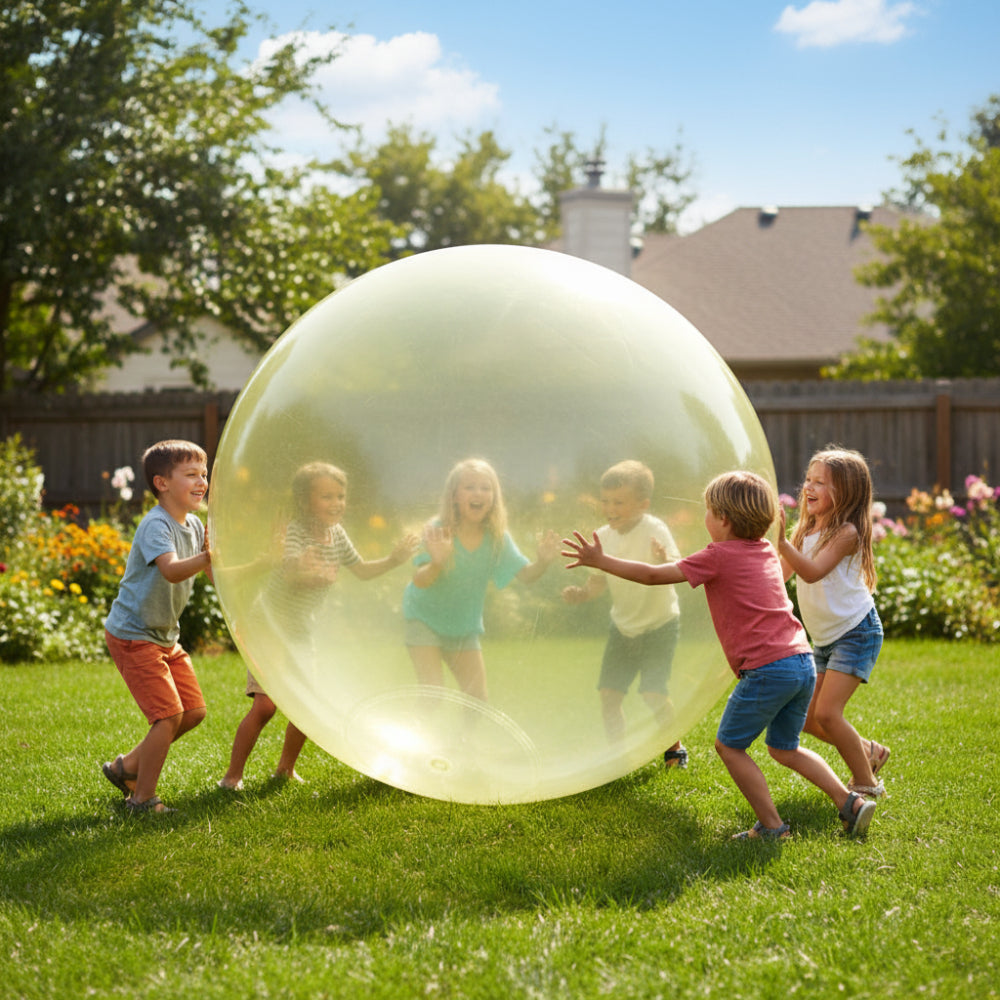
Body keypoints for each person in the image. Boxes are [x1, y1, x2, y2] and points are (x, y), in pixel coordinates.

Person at [563, 469, 877, 840]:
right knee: (785, 748)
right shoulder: (763, 549)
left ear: (723, 520)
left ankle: (773, 828)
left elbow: (653, 576)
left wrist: (602, 562)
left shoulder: (718, 555)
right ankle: (850, 803)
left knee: (728, 746)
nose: (705, 519)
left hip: (767, 669)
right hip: (801, 661)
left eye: (708, 512)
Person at [218, 461, 417, 789]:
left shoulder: (336, 535)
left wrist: (394, 559)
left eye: (340, 496)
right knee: (266, 705)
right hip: (268, 624)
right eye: (326, 496)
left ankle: (284, 769)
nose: (336, 503)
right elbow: (291, 570)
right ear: (304, 501)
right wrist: (307, 572)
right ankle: (232, 776)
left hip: (299, 629)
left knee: (305, 703)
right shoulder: (295, 531)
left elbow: (362, 570)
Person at [101, 440, 213, 814]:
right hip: (134, 635)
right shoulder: (156, 525)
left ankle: (127, 767)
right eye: (192, 474)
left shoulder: (195, 524)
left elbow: (210, 572)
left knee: (193, 711)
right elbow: (170, 569)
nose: (202, 481)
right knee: (167, 716)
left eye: (204, 474)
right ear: (162, 483)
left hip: (165, 635)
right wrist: (208, 557)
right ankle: (142, 799)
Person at [777, 447, 889, 799]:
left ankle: (867, 784)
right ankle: (869, 750)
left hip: (856, 632)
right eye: (808, 479)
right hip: (824, 639)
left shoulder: (847, 533)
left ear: (846, 492)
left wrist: (780, 542)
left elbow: (810, 573)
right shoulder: (804, 531)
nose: (808, 487)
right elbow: (781, 576)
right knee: (808, 718)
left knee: (827, 713)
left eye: (820, 482)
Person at [561, 460, 687, 767]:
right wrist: (582, 594)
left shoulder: (655, 529)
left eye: (619, 502)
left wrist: (661, 558)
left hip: (660, 624)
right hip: (623, 626)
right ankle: (618, 756)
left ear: (642, 504)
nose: (610, 508)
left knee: (653, 693)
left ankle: (675, 747)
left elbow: (676, 566)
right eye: (606, 501)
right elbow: (597, 582)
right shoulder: (602, 536)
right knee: (609, 695)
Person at [404, 457, 559, 702]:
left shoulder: (497, 538)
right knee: (432, 695)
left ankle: (463, 741)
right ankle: (412, 739)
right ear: (454, 496)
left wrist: (543, 562)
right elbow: (420, 581)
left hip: (464, 626)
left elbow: (527, 575)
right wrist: (437, 562)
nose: (478, 493)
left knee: (478, 701)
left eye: (486, 488)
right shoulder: (437, 528)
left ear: (494, 498)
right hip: (424, 619)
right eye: (470, 487)